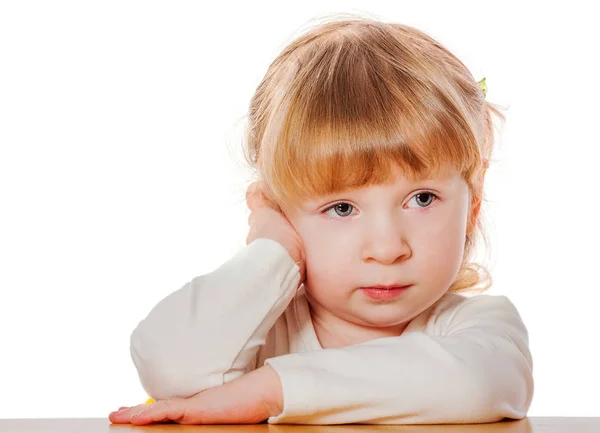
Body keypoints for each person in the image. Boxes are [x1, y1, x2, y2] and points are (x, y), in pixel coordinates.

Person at [109, 13, 534, 426]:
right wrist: (272, 252)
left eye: (422, 198)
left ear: (473, 204)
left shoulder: (479, 329)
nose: (387, 249)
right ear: (277, 212)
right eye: (342, 208)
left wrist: (272, 391)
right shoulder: (254, 331)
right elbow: (169, 367)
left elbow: (478, 383)